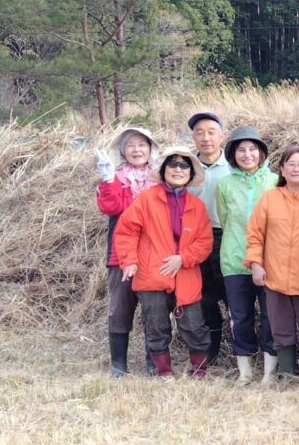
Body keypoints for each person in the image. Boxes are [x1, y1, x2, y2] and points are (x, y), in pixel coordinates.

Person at [114, 147, 214, 378]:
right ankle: (164, 373)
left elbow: (204, 242)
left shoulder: (197, 206)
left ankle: (199, 372)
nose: (178, 169)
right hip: (152, 272)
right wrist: (129, 261)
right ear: (163, 170)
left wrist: (183, 258)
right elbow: (127, 231)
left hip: (186, 274)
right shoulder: (146, 199)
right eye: (173, 164)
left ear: (190, 173)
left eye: (184, 165)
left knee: (194, 325)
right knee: (156, 326)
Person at [246, 147, 299, 379]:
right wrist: (255, 263)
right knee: (281, 331)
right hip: (275, 277)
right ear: (282, 171)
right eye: (290, 164)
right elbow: (255, 235)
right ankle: (286, 375)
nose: (296, 169)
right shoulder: (270, 198)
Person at [216, 126, 279, 385]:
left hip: (269, 261)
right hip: (234, 260)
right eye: (241, 150)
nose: (247, 154)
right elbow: (225, 219)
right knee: (240, 317)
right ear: (233, 154)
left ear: (261, 153)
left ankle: (269, 372)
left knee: (270, 316)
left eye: (252, 149)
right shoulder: (224, 184)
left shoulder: (275, 182)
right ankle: (245, 371)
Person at [96, 127, 159, 377]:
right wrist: (108, 181)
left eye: (142, 144)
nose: (136, 150)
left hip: (154, 253)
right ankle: (119, 364)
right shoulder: (116, 178)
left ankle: (154, 360)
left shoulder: (161, 178)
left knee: (155, 307)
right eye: (130, 145)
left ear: (151, 149)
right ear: (123, 151)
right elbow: (112, 207)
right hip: (120, 254)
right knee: (120, 307)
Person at [187, 112, 233, 366]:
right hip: (194, 240)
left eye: (211, 132)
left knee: (233, 295)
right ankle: (211, 351)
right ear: (193, 137)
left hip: (226, 236)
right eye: (199, 132)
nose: (206, 138)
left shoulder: (233, 166)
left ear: (221, 136)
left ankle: (242, 352)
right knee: (205, 299)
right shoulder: (185, 167)